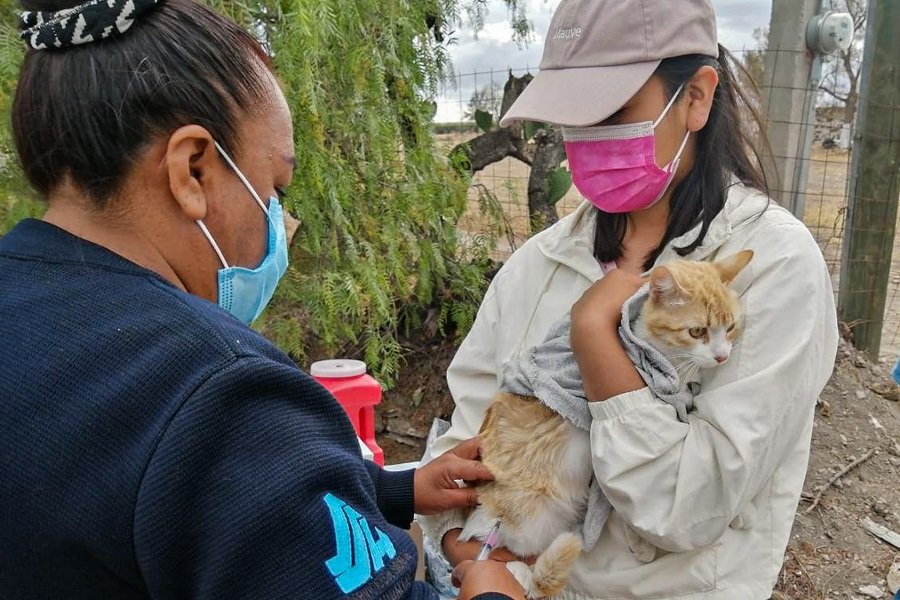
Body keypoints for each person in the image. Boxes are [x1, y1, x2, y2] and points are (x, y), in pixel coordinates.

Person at [0, 0, 526, 598]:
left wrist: (393, 491)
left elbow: (150, 499)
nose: (280, 221)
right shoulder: (217, 393)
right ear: (192, 170)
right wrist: (490, 590)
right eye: (275, 187)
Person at [419, 0, 839, 598]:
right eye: (573, 116)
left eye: (612, 111)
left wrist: (596, 338)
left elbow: (688, 507)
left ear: (695, 96)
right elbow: (464, 441)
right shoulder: (539, 264)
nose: (586, 139)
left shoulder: (774, 268)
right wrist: (465, 549)